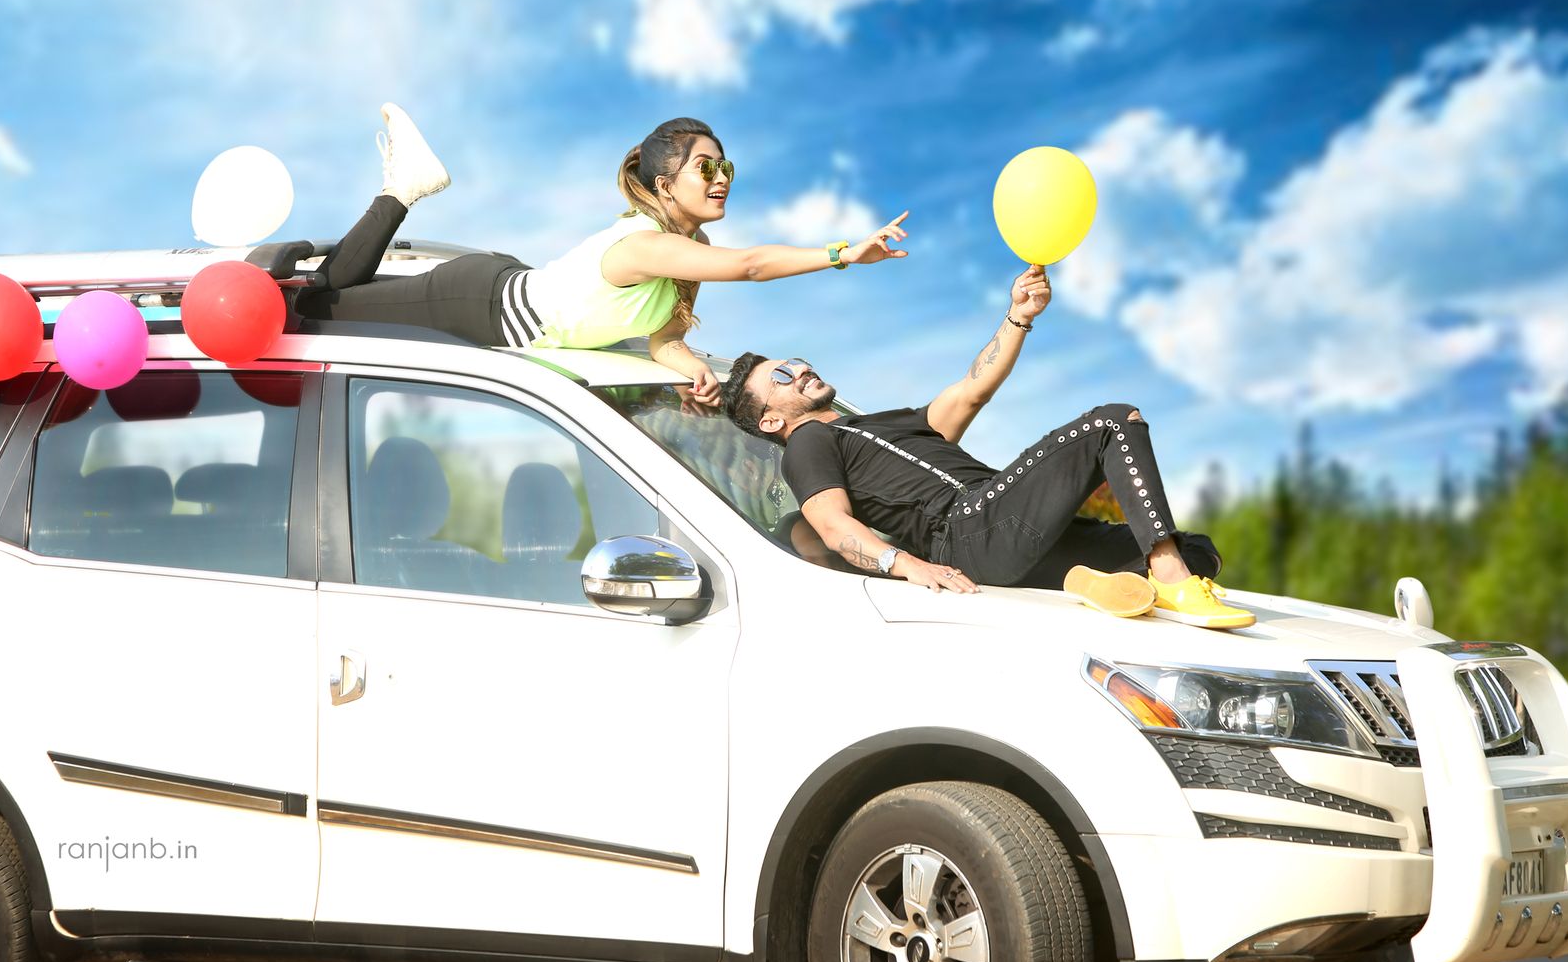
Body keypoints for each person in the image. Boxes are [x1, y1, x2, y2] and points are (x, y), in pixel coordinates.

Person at [719, 266, 1255, 629]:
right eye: (782, 376)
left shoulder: (878, 425)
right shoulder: (808, 443)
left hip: (1009, 527)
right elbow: (834, 529)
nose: (801, 369)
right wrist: (909, 566)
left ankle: (1079, 579)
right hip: (968, 528)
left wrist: (1018, 316)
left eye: (796, 360)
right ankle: (1168, 579)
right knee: (1114, 422)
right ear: (769, 419)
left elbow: (972, 390)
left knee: (1199, 548)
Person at [294, 108, 912, 400]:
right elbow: (751, 267)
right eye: (707, 167)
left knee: (328, 298)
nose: (723, 176)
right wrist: (842, 253)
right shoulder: (645, 246)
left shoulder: (683, 255)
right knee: (318, 306)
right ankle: (403, 187)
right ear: (666, 185)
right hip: (476, 302)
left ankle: (402, 187)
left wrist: (688, 368)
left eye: (726, 165)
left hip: (496, 299)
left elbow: (663, 340)